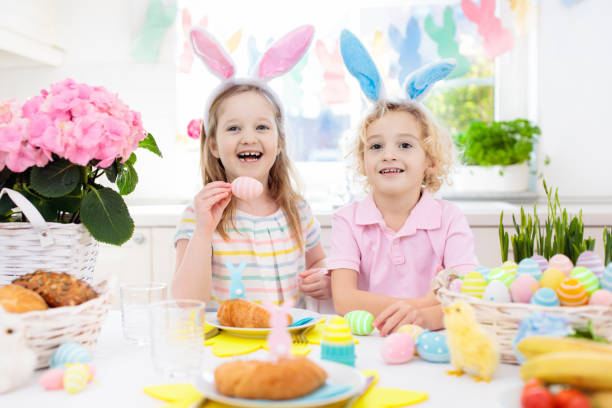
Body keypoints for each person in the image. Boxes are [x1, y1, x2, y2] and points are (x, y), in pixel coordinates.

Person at [329, 30, 477, 335]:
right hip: (367, 343)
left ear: (431, 160)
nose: (389, 155)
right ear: (363, 161)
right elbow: (344, 299)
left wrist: (423, 318)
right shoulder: (347, 220)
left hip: (433, 339)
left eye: (405, 146)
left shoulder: (450, 220)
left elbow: (467, 295)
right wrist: (420, 304)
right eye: (376, 146)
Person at [173, 26, 330, 309]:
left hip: (289, 339)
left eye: (261, 126)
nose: (249, 137)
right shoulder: (198, 216)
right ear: (214, 146)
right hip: (226, 347)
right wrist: (203, 231)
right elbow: (185, 302)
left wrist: (324, 276)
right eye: (234, 128)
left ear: (279, 142)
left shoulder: (298, 210)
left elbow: (318, 261)